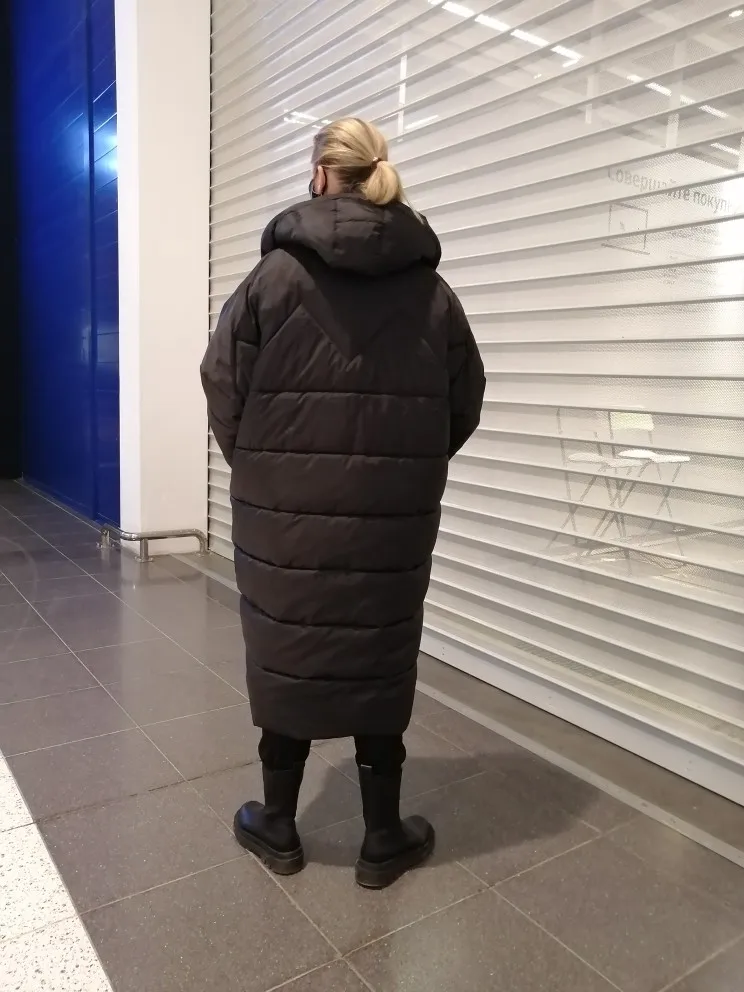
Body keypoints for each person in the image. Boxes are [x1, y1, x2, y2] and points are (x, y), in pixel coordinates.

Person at [201, 117, 485, 889]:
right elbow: (465, 400)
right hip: (392, 519)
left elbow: (222, 382)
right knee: (380, 652)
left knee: (287, 646)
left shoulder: (274, 280)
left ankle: (278, 825)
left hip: (284, 514)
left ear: (321, 172)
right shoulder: (432, 293)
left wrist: (262, 465)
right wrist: (403, 469)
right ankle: (383, 836)